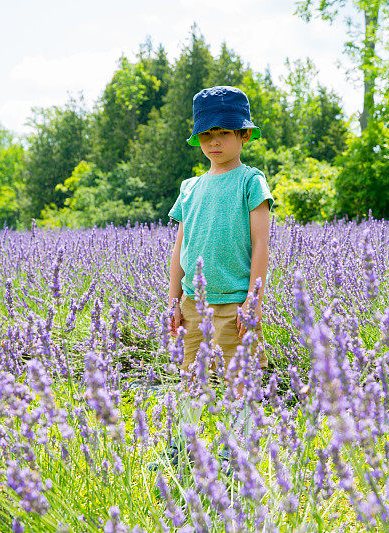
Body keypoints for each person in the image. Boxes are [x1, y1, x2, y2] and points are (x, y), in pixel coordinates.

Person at [160, 85, 273, 470]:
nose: (214, 143)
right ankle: (181, 449)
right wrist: (173, 301)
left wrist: (253, 300)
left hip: (236, 300)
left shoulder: (250, 181)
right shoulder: (189, 188)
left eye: (223, 133)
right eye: (206, 135)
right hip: (194, 303)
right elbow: (180, 248)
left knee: (239, 381)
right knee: (190, 379)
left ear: (243, 135)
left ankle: (235, 453)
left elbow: (261, 245)